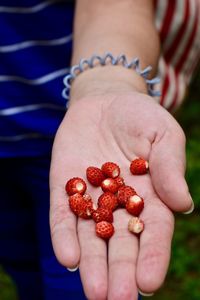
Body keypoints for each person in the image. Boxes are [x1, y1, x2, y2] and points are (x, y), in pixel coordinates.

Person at [0, 0, 199, 299]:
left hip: (70, 135)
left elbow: (115, 7)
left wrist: (107, 82)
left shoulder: (101, 180)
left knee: (79, 281)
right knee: (21, 261)